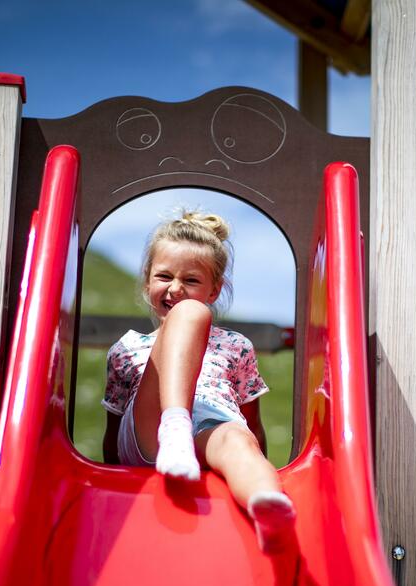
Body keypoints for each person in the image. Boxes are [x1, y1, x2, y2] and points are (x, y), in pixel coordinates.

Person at [101, 210, 295, 552]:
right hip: (152, 434)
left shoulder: (236, 346)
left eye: (191, 281)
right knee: (189, 315)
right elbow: (114, 428)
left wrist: (254, 459)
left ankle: (266, 508)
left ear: (214, 289)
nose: (175, 288)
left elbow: (253, 424)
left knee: (237, 438)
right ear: (147, 282)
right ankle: (175, 425)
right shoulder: (129, 348)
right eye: (164, 276)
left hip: (212, 433)